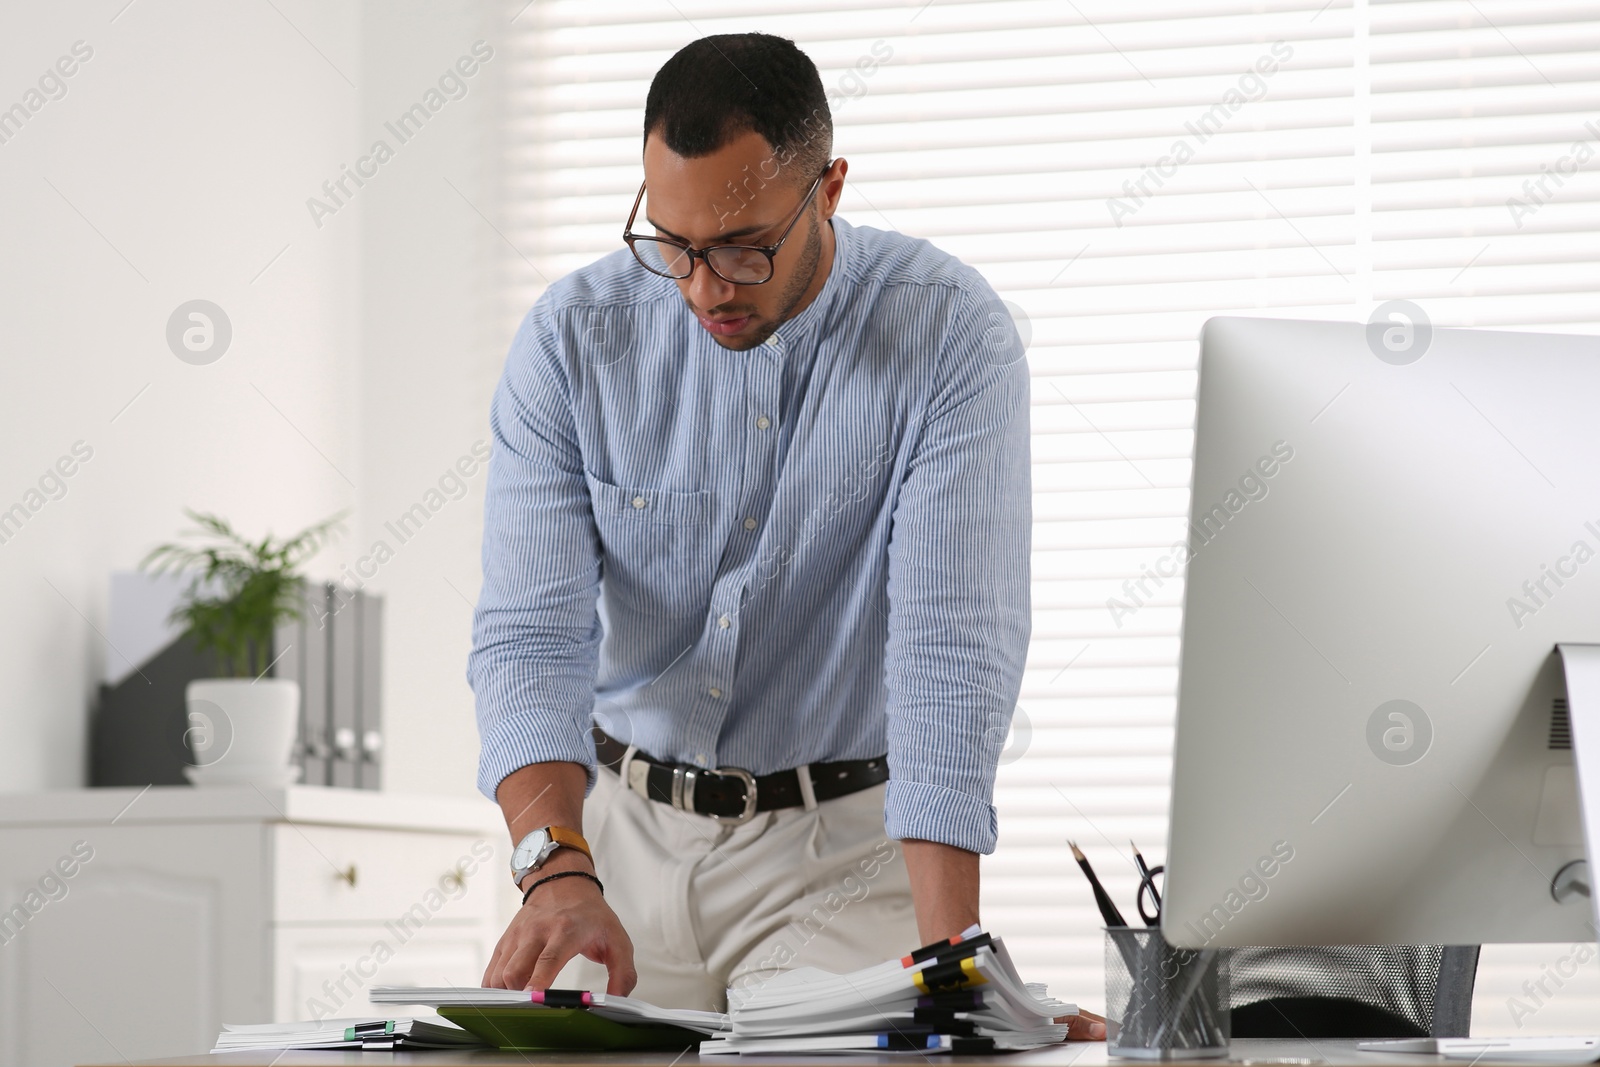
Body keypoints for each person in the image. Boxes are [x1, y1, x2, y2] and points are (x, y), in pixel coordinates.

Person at [468, 32, 1087, 1031]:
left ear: (829, 189)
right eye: (670, 242)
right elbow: (531, 634)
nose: (704, 285)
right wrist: (554, 872)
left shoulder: (947, 334)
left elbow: (947, 648)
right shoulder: (570, 339)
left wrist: (951, 963)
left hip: (831, 856)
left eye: (743, 245)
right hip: (615, 842)